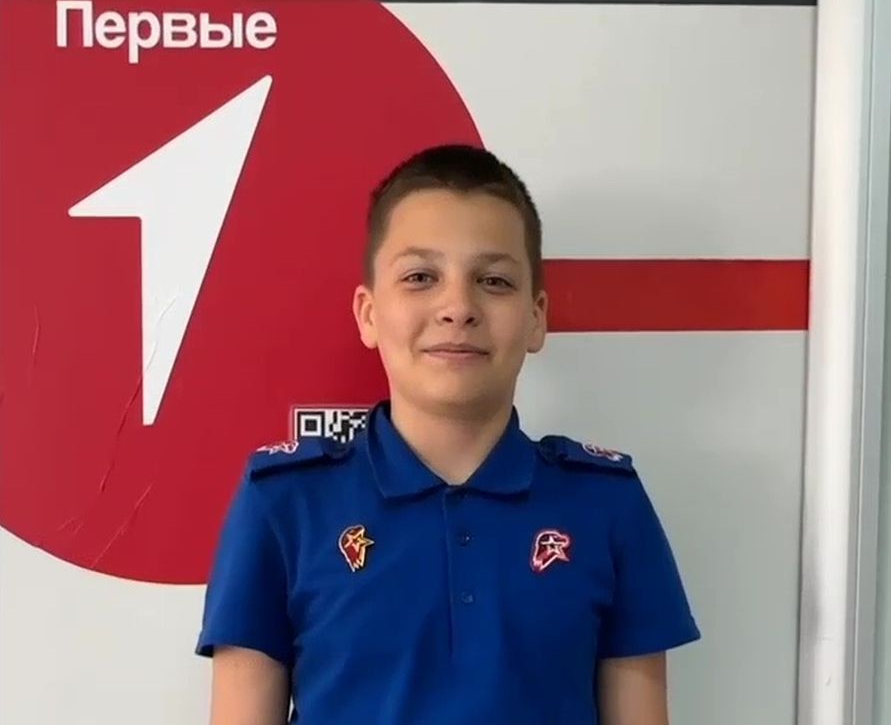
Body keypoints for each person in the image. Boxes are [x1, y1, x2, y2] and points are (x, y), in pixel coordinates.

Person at [195, 144, 701, 725]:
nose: (458, 307)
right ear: (368, 313)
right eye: (420, 277)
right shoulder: (285, 501)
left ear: (536, 318)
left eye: (493, 280)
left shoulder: (607, 503)